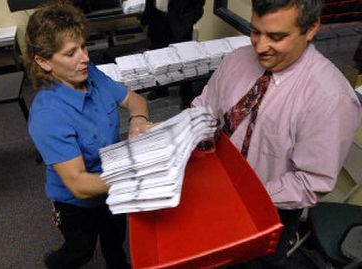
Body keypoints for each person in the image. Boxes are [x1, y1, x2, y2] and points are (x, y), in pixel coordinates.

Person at [192, 0, 362, 268]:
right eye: (255, 31)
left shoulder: (331, 98)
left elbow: (309, 182)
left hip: (266, 213)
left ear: (311, 28)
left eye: (276, 37)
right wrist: (173, 134)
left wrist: (239, 196)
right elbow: (205, 107)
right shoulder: (237, 59)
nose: (259, 47)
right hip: (211, 186)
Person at [24, 1, 152, 268]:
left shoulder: (91, 74)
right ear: (44, 62)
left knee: (115, 242)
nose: (85, 57)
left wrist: (138, 119)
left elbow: (134, 100)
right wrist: (135, 175)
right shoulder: (48, 114)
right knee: (80, 251)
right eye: (71, 53)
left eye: (83, 46)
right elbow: (79, 184)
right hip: (76, 204)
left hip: (112, 185)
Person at [141, 0, 206, 108]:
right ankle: (161, 89)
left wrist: (190, 19)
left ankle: (186, 95)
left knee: (184, 58)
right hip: (157, 17)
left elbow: (199, 3)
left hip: (181, 20)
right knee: (157, 55)